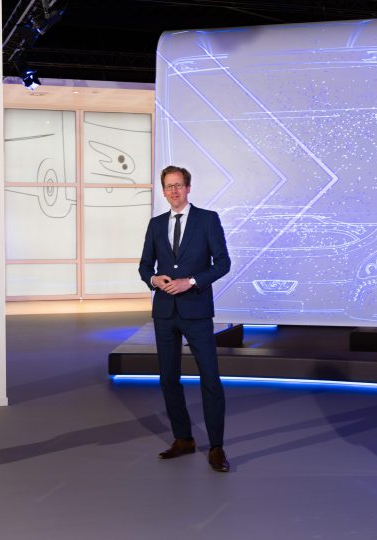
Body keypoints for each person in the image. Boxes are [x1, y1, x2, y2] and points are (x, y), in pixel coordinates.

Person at [138, 165, 232, 472]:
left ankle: (216, 447)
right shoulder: (155, 224)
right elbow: (144, 266)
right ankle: (183, 439)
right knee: (168, 379)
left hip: (196, 311)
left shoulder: (207, 219)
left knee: (210, 378)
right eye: (169, 186)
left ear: (188, 188)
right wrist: (153, 279)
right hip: (165, 313)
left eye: (179, 185)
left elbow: (223, 263)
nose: (174, 191)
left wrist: (190, 281)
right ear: (163, 191)